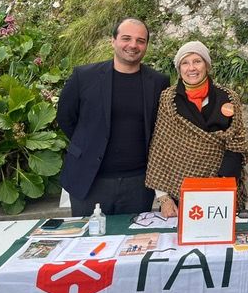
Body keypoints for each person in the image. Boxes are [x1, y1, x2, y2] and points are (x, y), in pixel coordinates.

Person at [57, 18, 170, 216]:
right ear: (113, 41)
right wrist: (88, 145)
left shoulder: (159, 82)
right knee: (88, 242)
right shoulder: (84, 77)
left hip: (138, 184)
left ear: (146, 46)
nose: (133, 45)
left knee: (133, 242)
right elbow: (66, 118)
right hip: (90, 180)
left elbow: (161, 128)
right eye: (126, 38)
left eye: (140, 40)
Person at [145, 41, 248, 217]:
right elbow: (159, 150)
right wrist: (164, 198)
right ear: (179, 69)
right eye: (185, 63)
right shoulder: (169, 99)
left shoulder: (229, 97)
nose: (191, 68)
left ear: (207, 65)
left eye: (197, 61)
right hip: (180, 191)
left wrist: (223, 184)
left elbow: (238, 142)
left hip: (223, 187)